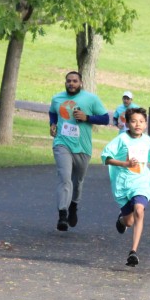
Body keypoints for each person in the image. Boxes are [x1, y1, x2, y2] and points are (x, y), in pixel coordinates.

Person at [49, 71, 110, 231]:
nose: (71, 83)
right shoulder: (57, 98)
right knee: (65, 178)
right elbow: (52, 112)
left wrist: (87, 118)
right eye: (68, 81)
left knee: (77, 182)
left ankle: (74, 205)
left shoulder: (91, 99)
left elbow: (105, 118)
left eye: (75, 81)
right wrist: (52, 124)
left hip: (83, 147)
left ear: (81, 83)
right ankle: (62, 214)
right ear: (65, 82)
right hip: (62, 143)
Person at [101, 107, 150, 266]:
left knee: (139, 210)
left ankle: (133, 251)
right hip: (123, 184)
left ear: (146, 124)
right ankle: (121, 220)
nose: (138, 124)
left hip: (142, 182)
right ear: (127, 123)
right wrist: (125, 164)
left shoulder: (147, 140)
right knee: (128, 222)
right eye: (133, 121)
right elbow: (106, 158)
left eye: (141, 121)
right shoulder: (121, 139)